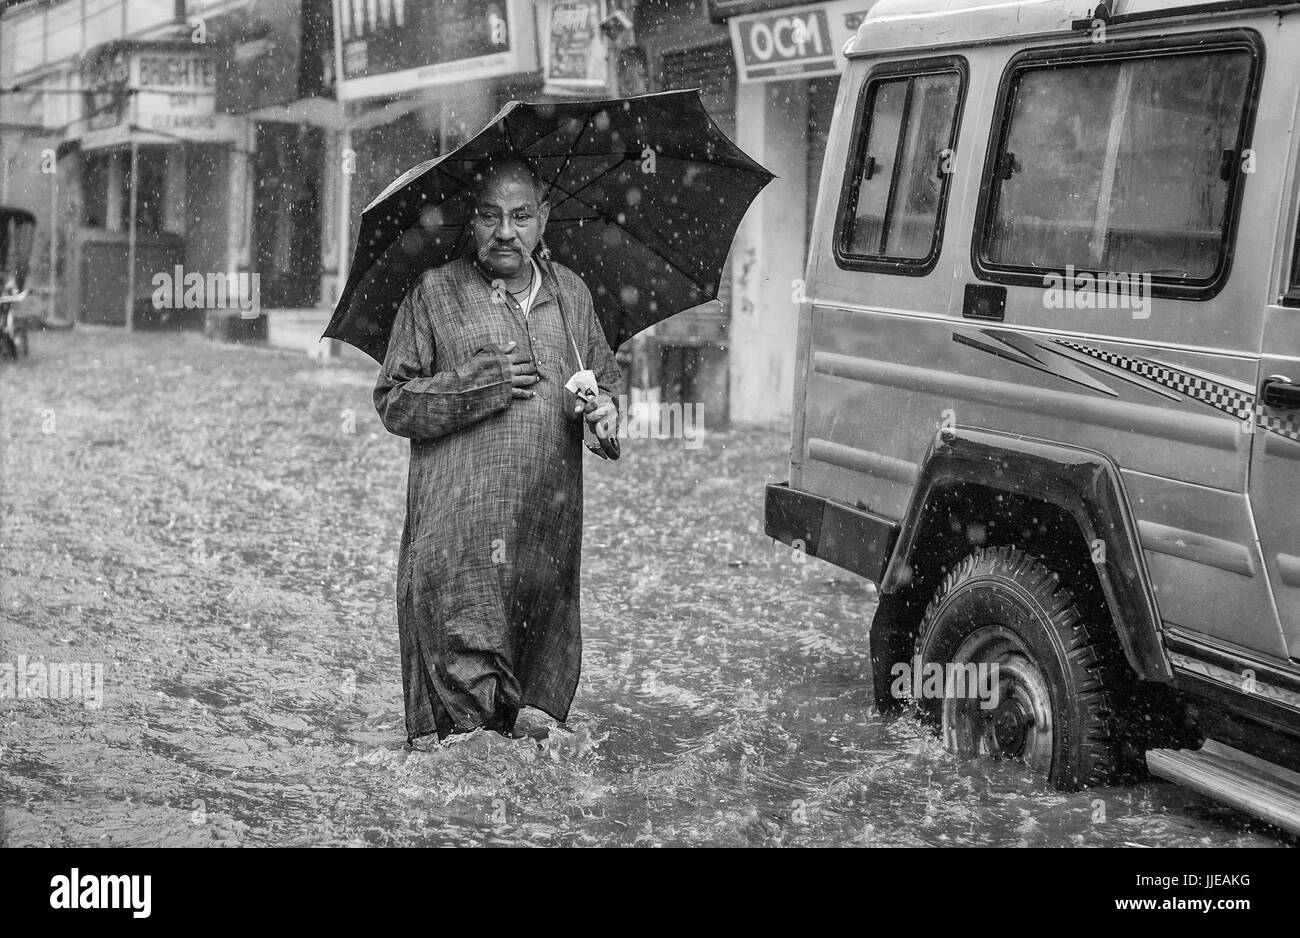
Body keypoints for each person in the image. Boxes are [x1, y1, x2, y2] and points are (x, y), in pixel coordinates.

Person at [373, 153, 621, 744]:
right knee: (466, 745)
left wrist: (607, 419)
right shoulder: (434, 294)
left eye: (520, 216)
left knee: (527, 741)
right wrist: (477, 384)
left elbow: (605, 390)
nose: (505, 233)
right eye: (489, 217)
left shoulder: (572, 297)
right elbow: (394, 402)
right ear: (472, 220)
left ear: (544, 218)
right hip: (458, 557)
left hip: (542, 560)